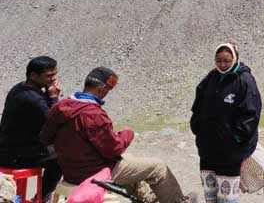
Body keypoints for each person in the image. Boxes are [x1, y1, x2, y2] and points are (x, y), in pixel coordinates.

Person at [39, 67, 193, 203]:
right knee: (158, 167)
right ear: (101, 89)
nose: (106, 94)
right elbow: (114, 149)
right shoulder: (92, 114)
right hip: (94, 172)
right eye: (107, 91)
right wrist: (127, 133)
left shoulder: (59, 107)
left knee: (130, 160)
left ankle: (145, 198)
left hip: (70, 171)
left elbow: (45, 138)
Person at [190, 44, 262, 203]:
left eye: (227, 61)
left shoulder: (245, 81)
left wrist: (236, 138)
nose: (222, 64)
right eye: (219, 60)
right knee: (210, 193)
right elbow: (198, 105)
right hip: (208, 147)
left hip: (230, 151)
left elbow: (251, 114)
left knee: (227, 197)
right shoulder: (211, 77)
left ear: (235, 59)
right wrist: (197, 128)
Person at [0, 57, 63, 203]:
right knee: (62, 157)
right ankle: (42, 197)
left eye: (55, 74)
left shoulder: (21, 88)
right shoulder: (31, 98)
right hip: (16, 155)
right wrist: (53, 97)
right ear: (33, 75)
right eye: (49, 76)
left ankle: (38, 194)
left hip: (14, 147)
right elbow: (53, 120)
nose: (53, 79)